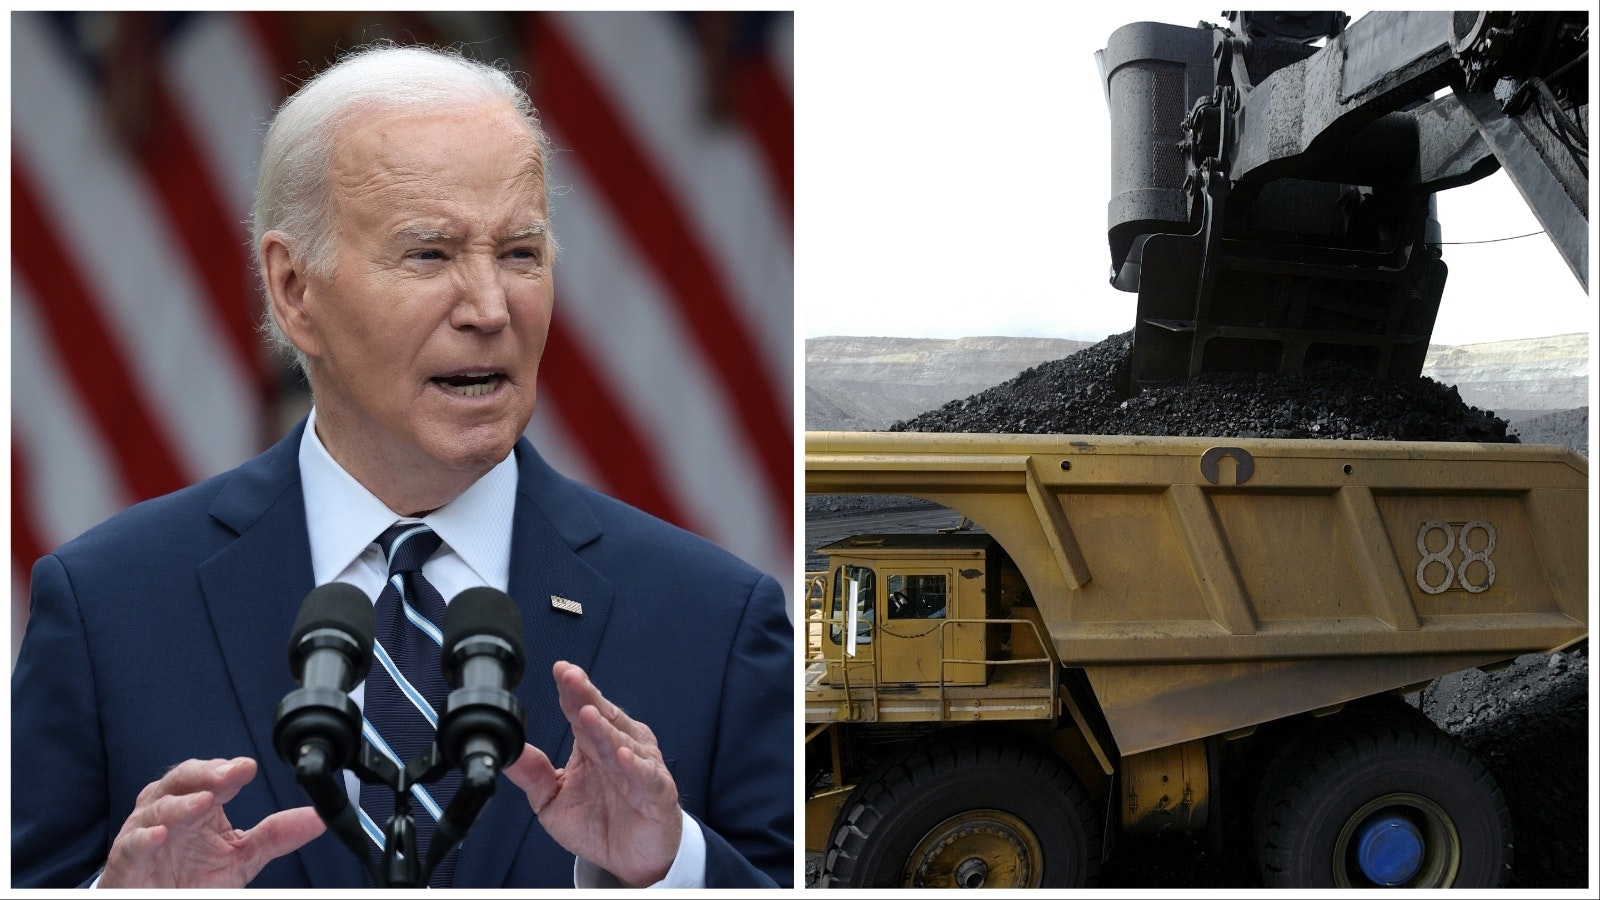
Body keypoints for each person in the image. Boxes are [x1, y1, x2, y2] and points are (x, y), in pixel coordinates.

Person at [10, 43, 793, 889]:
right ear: (294, 289)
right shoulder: (105, 609)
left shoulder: (714, 621)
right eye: (430, 254)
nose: (492, 308)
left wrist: (668, 870)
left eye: (521, 253)